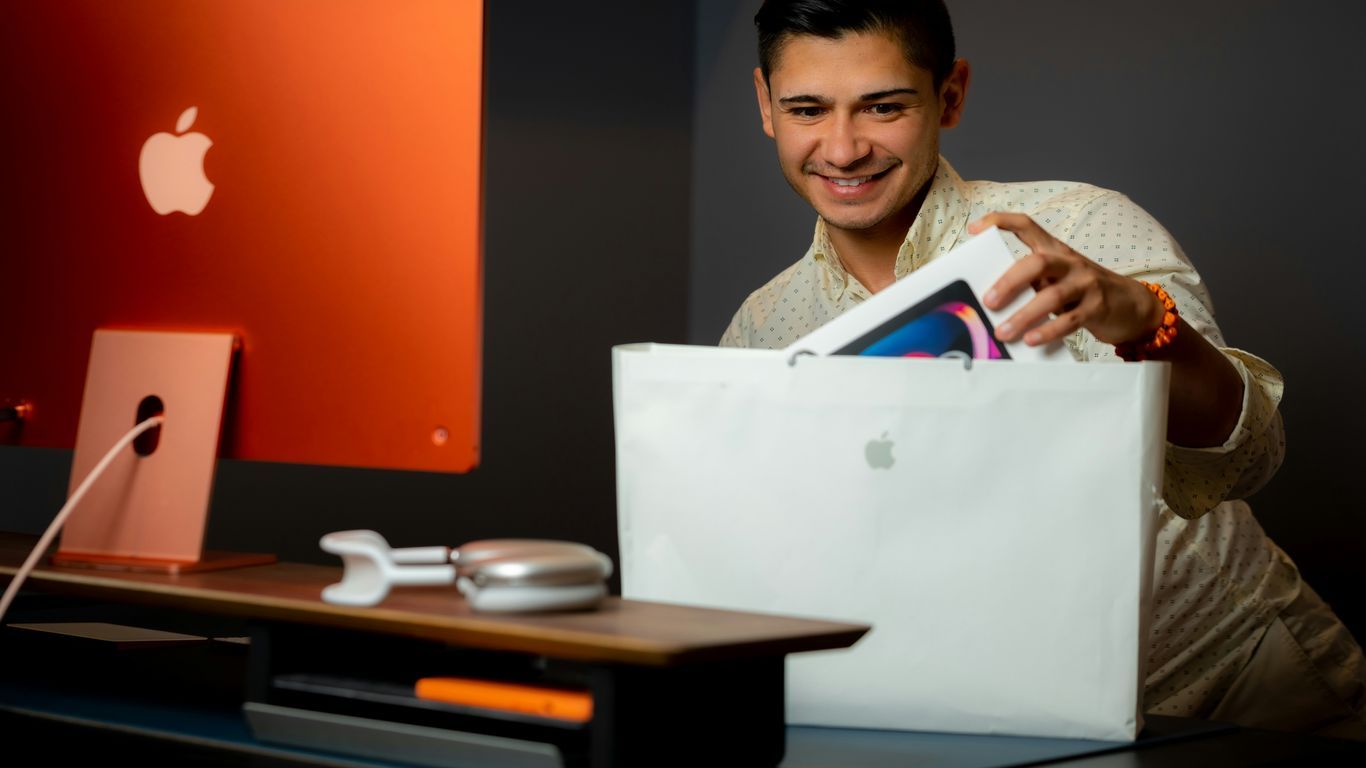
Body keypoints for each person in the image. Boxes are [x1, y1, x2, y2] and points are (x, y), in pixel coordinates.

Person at [722, 0, 1365, 739]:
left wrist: (1144, 325)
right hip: (995, 721)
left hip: (1241, 686)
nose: (841, 149)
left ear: (950, 95)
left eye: (883, 106)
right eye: (807, 109)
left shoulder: (1084, 226)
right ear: (766, 106)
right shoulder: (759, 333)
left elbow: (1250, 454)